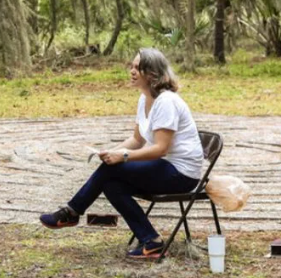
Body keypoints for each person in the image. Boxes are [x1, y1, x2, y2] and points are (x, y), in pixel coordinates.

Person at [39, 48, 204, 259]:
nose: (132, 71)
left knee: (112, 170)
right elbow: (136, 140)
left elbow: (160, 149)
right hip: (165, 168)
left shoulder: (166, 102)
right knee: (111, 184)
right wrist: (113, 151)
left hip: (182, 174)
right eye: (132, 67)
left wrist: (123, 157)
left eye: (138, 68)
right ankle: (151, 241)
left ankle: (71, 212)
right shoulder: (144, 99)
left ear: (152, 74)